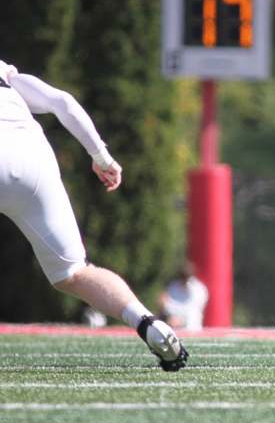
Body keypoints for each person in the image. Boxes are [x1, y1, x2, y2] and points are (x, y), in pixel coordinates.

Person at [0, 59, 188, 371]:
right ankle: (148, 323)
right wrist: (100, 155)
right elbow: (62, 102)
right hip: (31, 159)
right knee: (75, 272)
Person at [159, 260, 208, 330]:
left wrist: (180, 320)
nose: (184, 280)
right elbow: (167, 306)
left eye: (186, 277)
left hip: (192, 330)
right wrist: (164, 305)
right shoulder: (173, 287)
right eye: (182, 277)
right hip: (174, 331)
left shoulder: (199, 290)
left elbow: (193, 311)